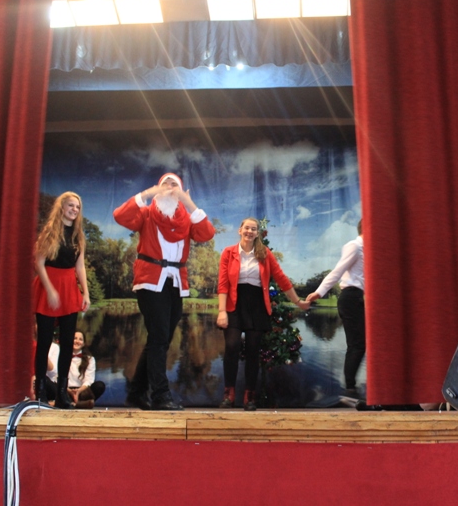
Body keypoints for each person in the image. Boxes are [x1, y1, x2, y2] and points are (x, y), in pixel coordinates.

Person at [114, 173, 215, 411]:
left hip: (175, 281)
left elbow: (207, 234)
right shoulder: (147, 213)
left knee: (161, 339)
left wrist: (188, 202)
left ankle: (136, 393)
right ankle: (160, 395)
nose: (170, 188)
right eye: (165, 184)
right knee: (159, 338)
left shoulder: (186, 218)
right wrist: (148, 193)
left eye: (174, 185)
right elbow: (120, 216)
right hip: (151, 280)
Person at [216, 217, 311, 411]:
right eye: (247, 228)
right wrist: (222, 311)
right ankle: (228, 394)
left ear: (257, 233)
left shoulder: (265, 253)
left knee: (253, 351)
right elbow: (223, 283)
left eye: (254, 229)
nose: (249, 231)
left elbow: (281, 278)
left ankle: (249, 397)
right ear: (240, 230)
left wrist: (298, 302)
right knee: (232, 347)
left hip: (258, 305)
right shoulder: (228, 253)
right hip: (234, 304)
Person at [32, 192, 90, 409]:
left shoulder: (78, 236)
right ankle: (39, 392)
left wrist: (85, 293)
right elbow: (39, 263)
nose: (74, 210)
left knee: (67, 344)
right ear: (62, 208)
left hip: (69, 289)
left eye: (77, 207)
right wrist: (49, 290)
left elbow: (80, 266)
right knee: (44, 342)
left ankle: (62, 394)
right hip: (49, 286)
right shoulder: (49, 233)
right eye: (71, 206)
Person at [306, 220, 365, 399]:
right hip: (351, 298)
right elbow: (337, 271)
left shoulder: (369, 250)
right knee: (357, 344)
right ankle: (350, 389)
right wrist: (319, 292)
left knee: (362, 343)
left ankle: (353, 387)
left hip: (361, 299)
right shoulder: (355, 246)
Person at [46, 331, 105, 409]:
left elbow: (89, 380)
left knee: (100, 385)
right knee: (46, 381)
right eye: (75, 338)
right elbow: (56, 377)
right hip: (64, 390)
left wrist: (78, 391)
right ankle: (77, 404)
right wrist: (69, 390)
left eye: (80, 339)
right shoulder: (61, 357)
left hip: (82, 391)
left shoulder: (90, 359)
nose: (77, 341)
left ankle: (68, 403)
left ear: (83, 343)